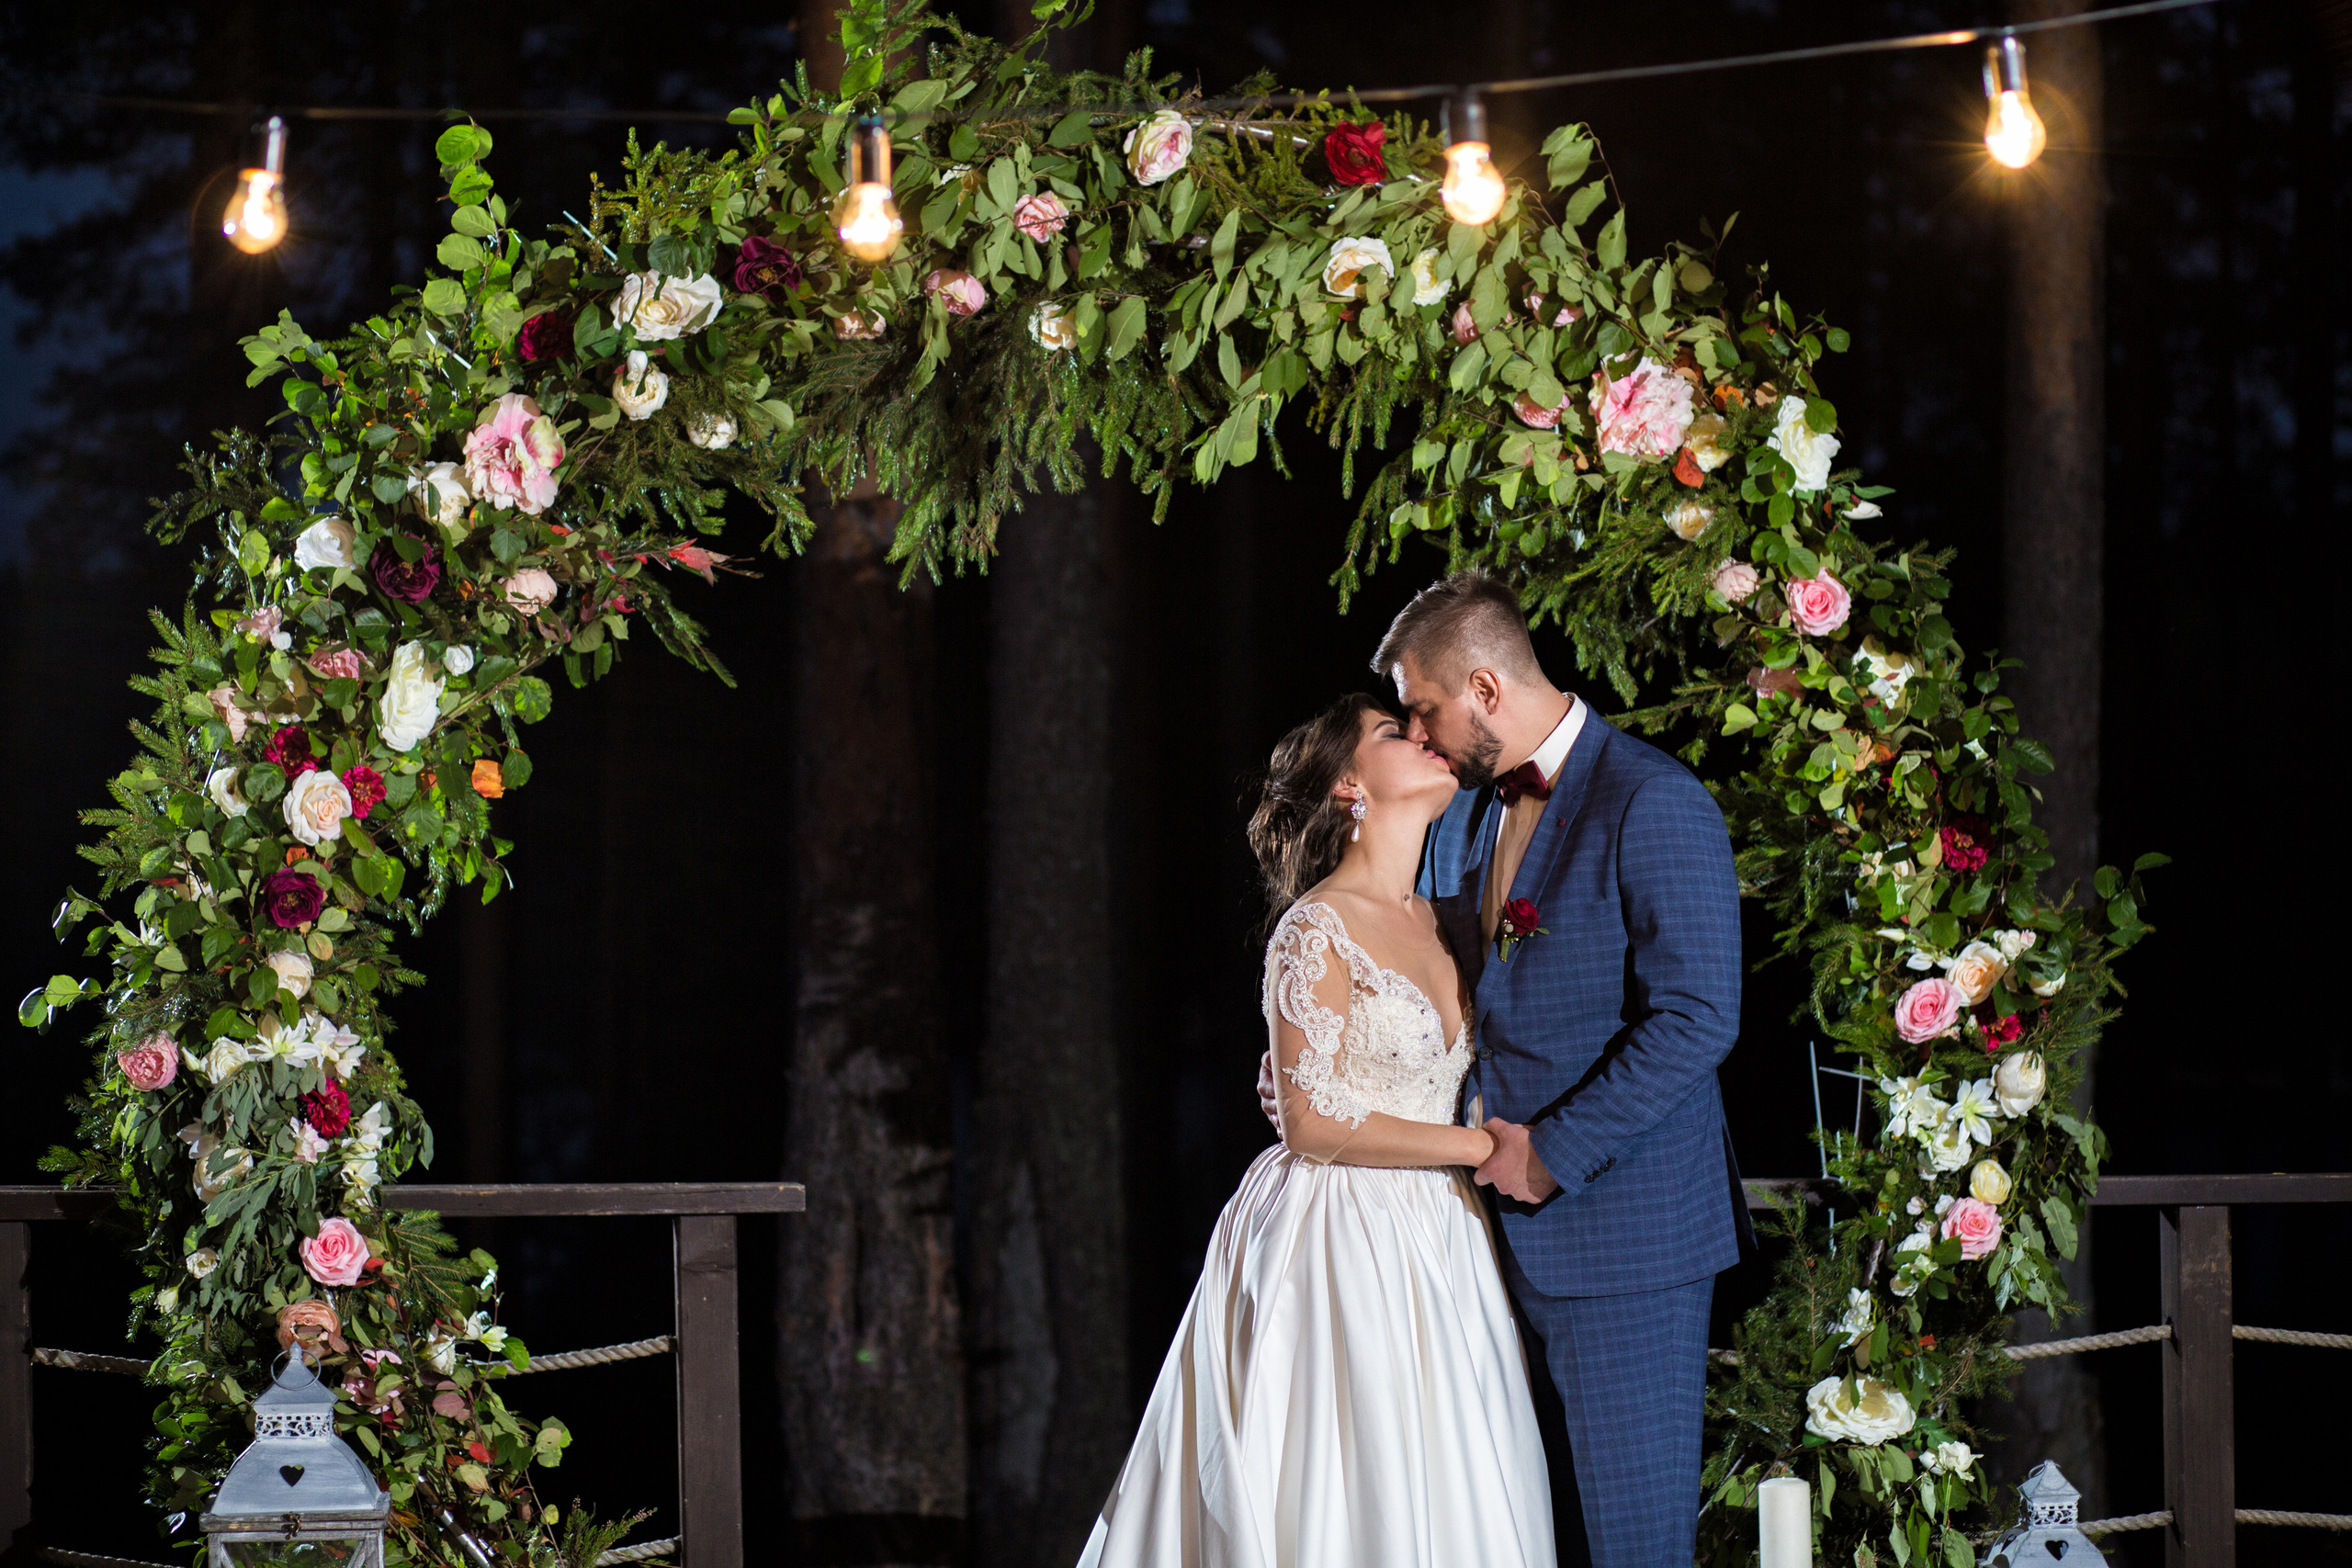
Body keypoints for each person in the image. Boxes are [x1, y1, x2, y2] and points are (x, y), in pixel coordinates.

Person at [1256, 569, 1753, 1567]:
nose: (1421, 734)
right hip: (1463, 1253)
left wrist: (1550, 1152)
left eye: (1425, 709)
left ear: (1485, 689)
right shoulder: (1472, 816)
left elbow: (1699, 1018)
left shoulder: (1651, 801)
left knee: (1632, 1544)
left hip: (1620, 1244)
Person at [1076, 693, 1555, 1568]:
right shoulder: (1316, 926)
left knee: (1453, 1474)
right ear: (1348, 785)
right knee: (1347, 1472)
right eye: (1390, 733)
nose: (1421, 737)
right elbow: (1313, 1118)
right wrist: (1479, 1148)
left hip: (1442, 1235)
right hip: (1341, 1233)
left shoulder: (1448, 919)